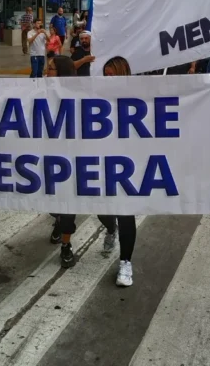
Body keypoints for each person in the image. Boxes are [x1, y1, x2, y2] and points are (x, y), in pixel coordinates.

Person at [98, 56, 139, 287]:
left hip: (126, 165)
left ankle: (125, 262)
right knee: (102, 211)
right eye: (105, 75)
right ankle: (109, 228)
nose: (107, 79)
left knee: (125, 214)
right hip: (101, 162)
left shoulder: (136, 97)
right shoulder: (99, 95)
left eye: (111, 74)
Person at [46, 54, 79, 268]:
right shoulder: (39, 93)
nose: (46, 72)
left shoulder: (77, 96)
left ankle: (66, 245)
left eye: (51, 69)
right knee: (52, 203)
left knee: (68, 205)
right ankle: (57, 220)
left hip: (70, 160)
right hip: (46, 157)